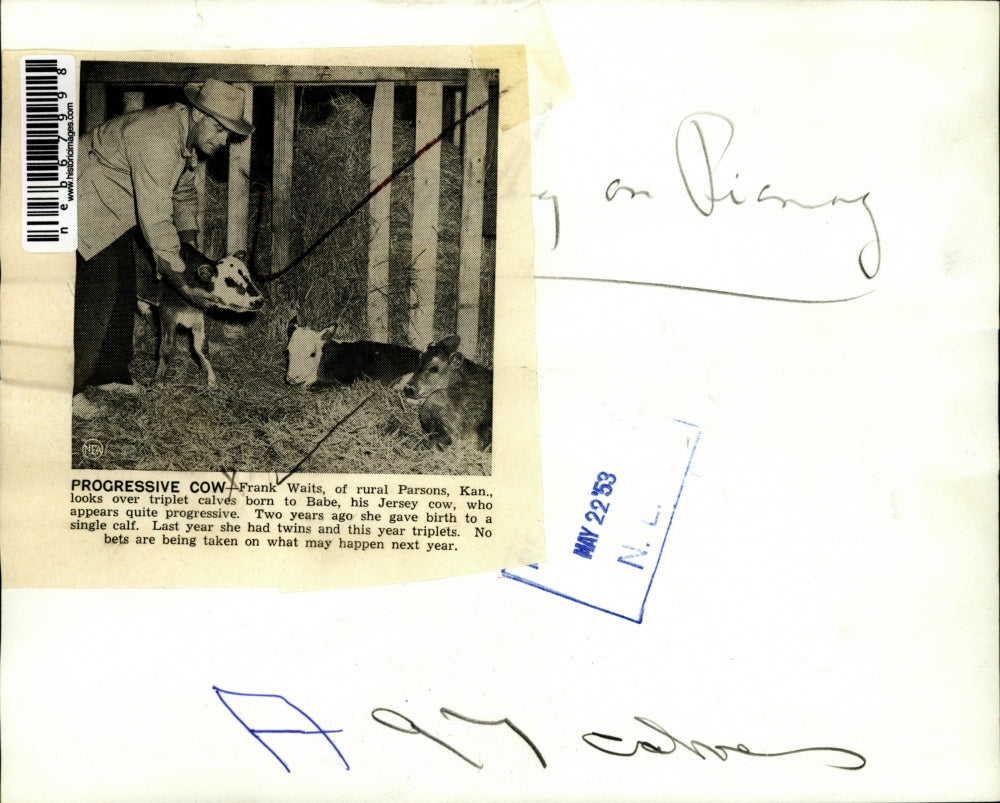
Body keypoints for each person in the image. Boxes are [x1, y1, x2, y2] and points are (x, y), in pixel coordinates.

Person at [72, 78, 254, 418]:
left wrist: (189, 250)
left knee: (123, 286)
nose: (222, 140)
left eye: (228, 134)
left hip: (115, 212)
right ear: (198, 114)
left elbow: (182, 193)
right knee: (98, 292)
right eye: (218, 129)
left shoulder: (184, 139)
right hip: (81, 204)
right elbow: (156, 219)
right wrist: (183, 284)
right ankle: (69, 389)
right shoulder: (156, 137)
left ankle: (109, 373)